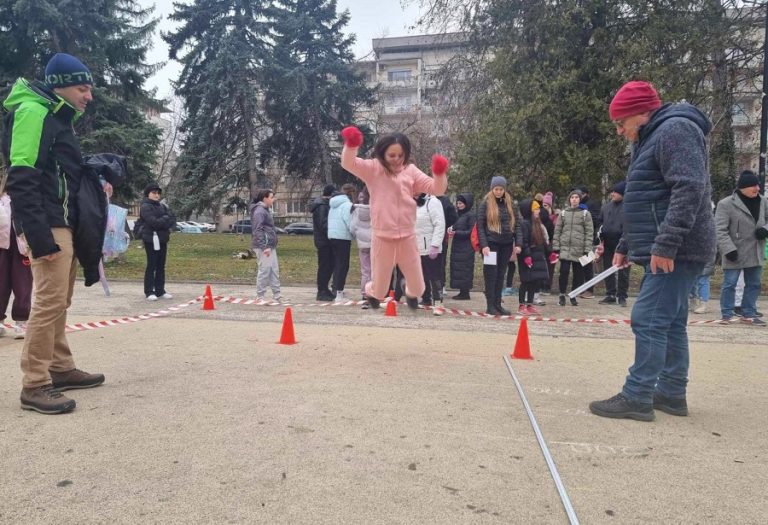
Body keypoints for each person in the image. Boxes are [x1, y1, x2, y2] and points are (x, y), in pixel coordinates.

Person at [589, 80, 716, 421]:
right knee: (671, 322)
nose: (619, 131)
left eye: (621, 123)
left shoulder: (675, 130)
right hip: (668, 246)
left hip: (678, 248)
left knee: (647, 318)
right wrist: (629, 245)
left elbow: (689, 189)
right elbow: (645, 198)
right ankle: (672, 393)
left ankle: (638, 395)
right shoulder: (652, 137)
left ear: (641, 113)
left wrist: (666, 243)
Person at [3, 52, 105, 414]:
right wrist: (39, 236)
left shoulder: (59, 119)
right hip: (47, 223)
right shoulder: (33, 112)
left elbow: (61, 177)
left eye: (89, 88)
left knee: (60, 300)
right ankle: (35, 384)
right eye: (82, 87)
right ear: (59, 85)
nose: (88, 96)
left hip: (64, 222)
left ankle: (60, 368)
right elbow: (22, 176)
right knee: (47, 303)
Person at [339, 127, 448, 310]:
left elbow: (437, 189)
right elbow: (348, 163)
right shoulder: (374, 168)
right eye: (392, 156)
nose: (397, 160)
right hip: (383, 237)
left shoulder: (411, 171)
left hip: (407, 236)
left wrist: (439, 173)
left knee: (419, 288)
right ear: (382, 154)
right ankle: (371, 291)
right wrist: (351, 145)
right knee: (381, 289)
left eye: (401, 155)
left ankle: (410, 291)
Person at [714, 170, 768, 325]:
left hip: (755, 250)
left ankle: (749, 313)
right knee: (730, 283)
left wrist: (765, 228)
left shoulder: (763, 201)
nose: (757, 188)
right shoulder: (725, 204)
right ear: (742, 188)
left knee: (754, 284)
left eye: (757, 185)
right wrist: (728, 249)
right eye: (753, 186)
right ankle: (726, 314)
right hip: (734, 251)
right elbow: (720, 229)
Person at [477, 176, 521, 315]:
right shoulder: (485, 204)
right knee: (491, 275)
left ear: (504, 189)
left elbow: (517, 224)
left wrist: (518, 243)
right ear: (492, 189)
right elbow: (480, 227)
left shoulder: (510, 204)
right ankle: (490, 305)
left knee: (501, 275)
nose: (498, 191)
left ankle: (498, 304)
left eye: (501, 189)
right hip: (491, 245)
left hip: (506, 245)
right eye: (496, 189)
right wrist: (484, 245)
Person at [553, 190, 593, 306]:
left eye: (576, 197)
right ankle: (561, 294)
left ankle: (573, 294)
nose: (574, 199)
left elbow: (589, 232)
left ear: (579, 199)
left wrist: (587, 248)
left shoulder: (585, 214)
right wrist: (556, 246)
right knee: (564, 272)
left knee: (578, 274)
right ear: (569, 199)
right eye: (572, 197)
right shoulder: (563, 213)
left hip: (579, 249)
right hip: (565, 248)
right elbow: (557, 231)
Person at [0, 193, 32, 338]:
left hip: (21, 248)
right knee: (1, 285)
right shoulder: (2, 198)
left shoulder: (26, 195)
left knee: (22, 285)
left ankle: (21, 321)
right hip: (2, 247)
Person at [138, 183, 176, 300]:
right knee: (152, 265)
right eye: (154, 192)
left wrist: (164, 221)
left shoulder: (162, 206)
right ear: (148, 194)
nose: (157, 195)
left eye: (158, 193)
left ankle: (160, 290)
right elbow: (153, 222)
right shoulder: (145, 206)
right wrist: (164, 219)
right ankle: (149, 291)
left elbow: (172, 219)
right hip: (151, 239)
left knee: (161, 265)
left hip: (162, 239)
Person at [596, 181, 629, 306]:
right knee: (607, 268)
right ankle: (610, 294)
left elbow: (629, 225)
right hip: (607, 242)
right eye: (613, 191)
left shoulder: (627, 206)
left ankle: (622, 295)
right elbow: (599, 222)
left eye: (616, 192)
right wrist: (599, 235)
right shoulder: (606, 207)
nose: (613, 194)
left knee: (623, 270)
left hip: (622, 242)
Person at [517, 200, 551, 315]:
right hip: (527, 257)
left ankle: (530, 304)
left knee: (534, 281)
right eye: (536, 209)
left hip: (537, 255)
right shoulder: (524, 224)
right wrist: (526, 255)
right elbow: (524, 241)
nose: (538, 211)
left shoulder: (537, 223)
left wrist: (550, 252)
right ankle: (521, 305)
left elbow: (542, 241)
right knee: (525, 281)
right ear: (529, 211)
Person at [415, 193, 446, 315]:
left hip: (431, 247)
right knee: (422, 275)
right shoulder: (413, 204)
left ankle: (438, 302)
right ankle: (426, 298)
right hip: (417, 247)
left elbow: (440, 224)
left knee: (435, 276)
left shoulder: (433, 202)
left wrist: (435, 244)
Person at [250, 189, 283, 304]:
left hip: (270, 245)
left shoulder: (265, 210)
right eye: (271, 197)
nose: (273, 199)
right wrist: (264, 247)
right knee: (264, 270)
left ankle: (277, 295)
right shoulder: (259, 211)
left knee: (274, 270)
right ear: (264, 198)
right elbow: (257, 230)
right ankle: (260, 296)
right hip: (263, 246)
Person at [328, 184, 355, 303]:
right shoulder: (347, 205)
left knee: (337, 264)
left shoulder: (333, 204)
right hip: (343, 237)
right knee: (343, 265)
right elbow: (350, 222)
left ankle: (335, 289)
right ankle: (339, 292)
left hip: (332, 236)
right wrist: (355, 234)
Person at [310, 184, 336, 301]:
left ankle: (324, 289)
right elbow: (323, 224)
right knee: (325, 266)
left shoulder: (324, 205)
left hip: (325, 241)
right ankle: (321, 291)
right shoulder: (322, 206)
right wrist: (333, 231)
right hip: (324, 241)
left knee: (329, 265)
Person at [449, 193, 476, 300]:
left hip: (467, 247)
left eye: (460, 203)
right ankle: (462, 291)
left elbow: (471, 232)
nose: (458, 205)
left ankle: (465, 292)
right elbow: (456, 226)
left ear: (466, 203)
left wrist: (456, 233)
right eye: (457, 203)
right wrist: (451, 229)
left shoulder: (471, 215)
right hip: (458, 246)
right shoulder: (459, 215)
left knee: (465, 269)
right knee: (458, 268)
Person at [576, 186, 601, 299]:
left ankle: (589, 290)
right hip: (577, 240)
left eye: (579, 194)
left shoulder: (592, 204)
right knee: (579, 265)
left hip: (588, 240)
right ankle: (580, 288)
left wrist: (586, 214)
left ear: (585, 194)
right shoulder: (576, 206)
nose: (576, 197)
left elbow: (596, 221)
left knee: (587, 265)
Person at [349, 186, 372, 308]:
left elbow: (352, 228)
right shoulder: (376, 208)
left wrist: (357, 235)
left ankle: (365, 294)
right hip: (375, 243)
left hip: (362, 244)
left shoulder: (355, 210)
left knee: (365, 270)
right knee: (375, 270)